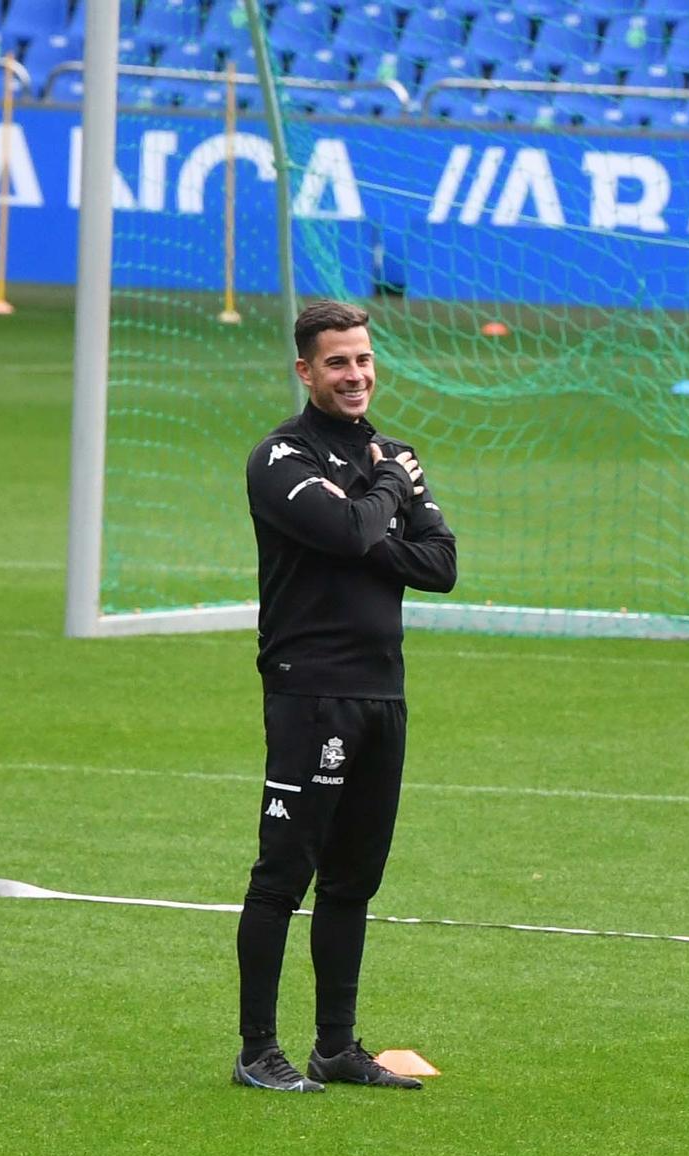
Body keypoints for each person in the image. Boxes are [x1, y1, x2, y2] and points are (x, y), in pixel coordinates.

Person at [231, 300, 458, 1093]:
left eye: (363, 359)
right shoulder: (279, 459)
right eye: (337, 362)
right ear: (305, 370)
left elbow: (439, 564)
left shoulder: (391, 454)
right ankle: (257, 1049)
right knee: (281, 874)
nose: (355, 374)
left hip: (381, 693)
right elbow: (363, 532)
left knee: (355, 877)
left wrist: (371, 514)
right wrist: (385, 501)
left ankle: (336, 1046)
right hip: (310, 691)